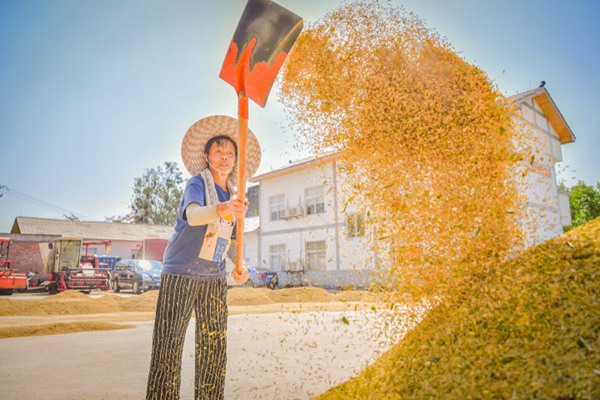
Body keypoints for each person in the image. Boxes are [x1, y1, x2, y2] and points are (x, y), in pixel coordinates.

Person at [146, 115, 262, 400]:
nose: (225, 157)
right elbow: (194, 216)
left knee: (214, 348)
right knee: (168, 347)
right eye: (219, 152)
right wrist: (223, 207)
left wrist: (239, 266)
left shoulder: (234, 194)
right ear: (207, 156)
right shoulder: (196, 184)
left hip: (213, 277)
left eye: (230, 153)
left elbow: (223, 242)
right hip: (180, 272)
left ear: (236, 161)